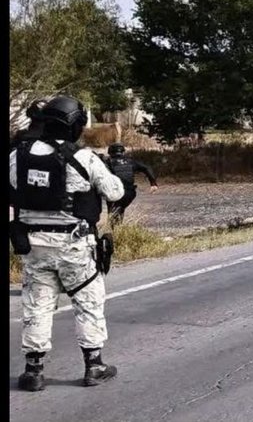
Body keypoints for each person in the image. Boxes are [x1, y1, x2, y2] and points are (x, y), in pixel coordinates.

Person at [10, 95, 125, 391]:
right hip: (73, 245)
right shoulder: (83, 158)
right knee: (88, 302)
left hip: (33, 245)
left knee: (37, 304)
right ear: (74, 125)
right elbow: (114, 192)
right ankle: (94, 364)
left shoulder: (17, 156)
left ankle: (33, 371)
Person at [103, 143, 158, 224]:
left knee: (114, 212)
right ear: (123, 152)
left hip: (115, 192)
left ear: (110, 153)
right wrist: (153, 183)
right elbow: (146, 168)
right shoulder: (131, 161)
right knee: (120, 208)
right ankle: (118, 227)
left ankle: (115, 231)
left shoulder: (107, 162)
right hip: (130, 193)